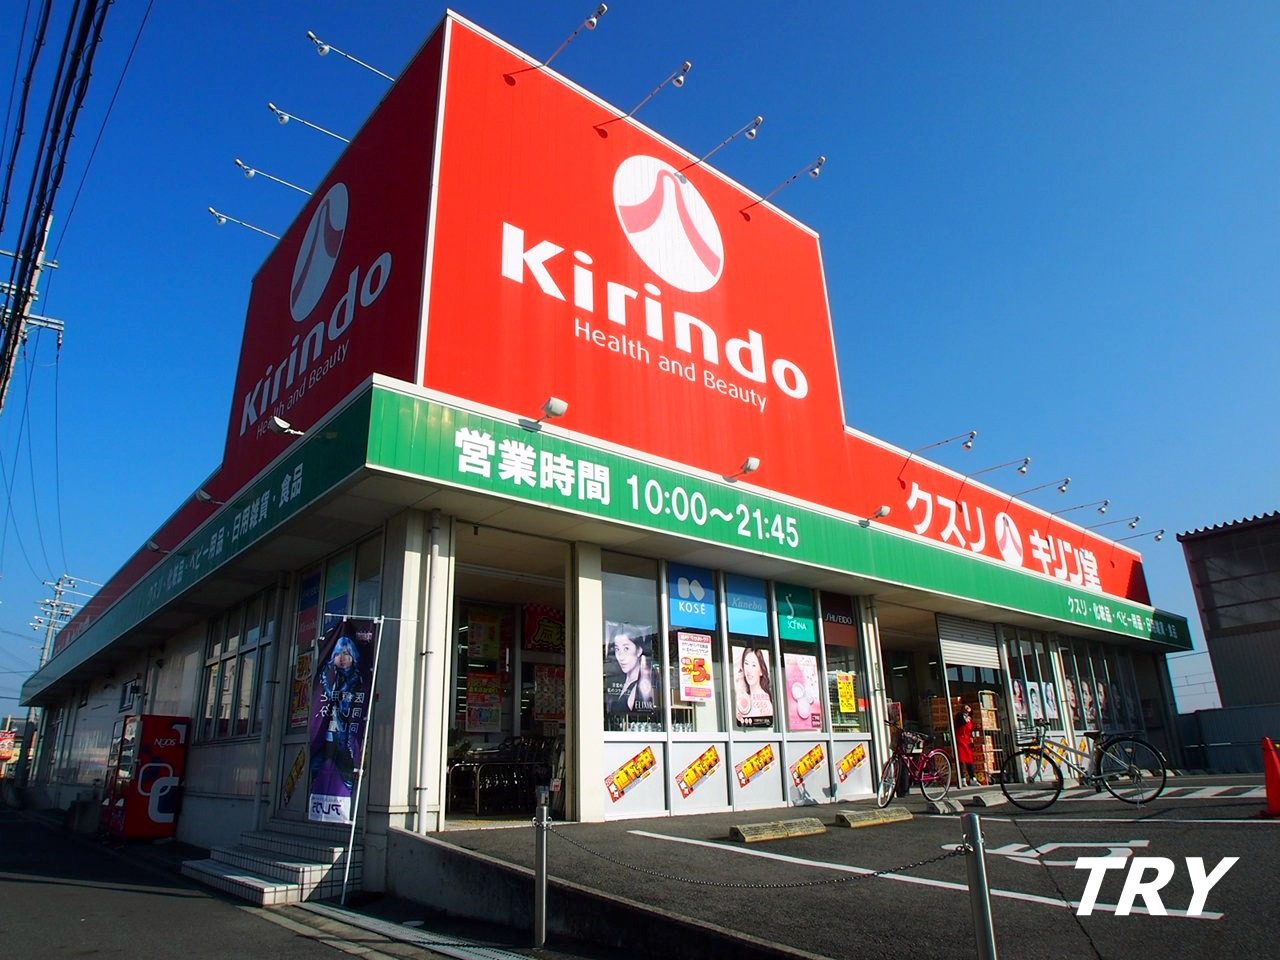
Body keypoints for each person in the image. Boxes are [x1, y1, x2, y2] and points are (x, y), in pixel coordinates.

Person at [310, 634, 363, 792]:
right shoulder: (330, 673)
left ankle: (346, 792)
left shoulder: (355, 677)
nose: (342, 658)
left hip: (344, 731)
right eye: (339, 653)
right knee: (317, 763)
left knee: (345, 765)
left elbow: (349, 700)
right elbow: (325, 690)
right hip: (328, 727)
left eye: (346, 653)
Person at [606, 624, 656, 713]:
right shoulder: (618, 680)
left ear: (639, 651)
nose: (621, 657)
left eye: (626, 649)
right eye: (617, 649)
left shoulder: (642, 686)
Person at [734, 646, 774, 726]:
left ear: (761, 671)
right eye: (746, 663)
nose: (749, 670)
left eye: (753, 665)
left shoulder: (765, 701)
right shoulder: (743, 695)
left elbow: (766, 722)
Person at [954, 704, 977, 787]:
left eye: (968, 707)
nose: (967, 709)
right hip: (960, 739)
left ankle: (973, 778)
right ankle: (962, 779)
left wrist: (972, 740)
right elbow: (961, 723)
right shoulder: (959, 716)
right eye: (965, 707)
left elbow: (970, 731)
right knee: (961, 760)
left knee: (970, 760)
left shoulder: (970, 719)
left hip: (967, 741)